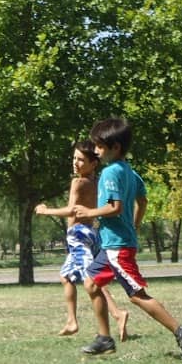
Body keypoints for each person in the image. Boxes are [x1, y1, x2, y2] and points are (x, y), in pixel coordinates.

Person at [72, 118, 182, 359]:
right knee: (91, 283)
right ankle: (105, 338)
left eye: (99, 146)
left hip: (116, 247)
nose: (95, 151)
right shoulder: (129, 172)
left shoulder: (110, 173)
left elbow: (114, 207)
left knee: (136, 295)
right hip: (113, 244)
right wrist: (135, 225)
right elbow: (142, 201)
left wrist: (90, 212)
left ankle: (181, 331)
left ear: (115, 147)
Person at [34, 140, 129, 341]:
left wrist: (45, 211)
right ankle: (71, 321)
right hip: (92, 233)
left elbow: (72, 210)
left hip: (78, 234)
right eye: (74, 158)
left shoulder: (77, 182)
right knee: (66, 276)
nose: (76, 163)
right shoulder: (98, 182)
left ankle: (117, 313)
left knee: (92, 279)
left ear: (94, 163)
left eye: (81, 160)